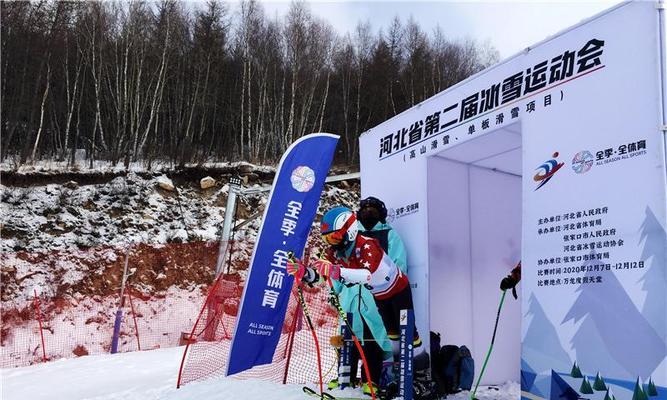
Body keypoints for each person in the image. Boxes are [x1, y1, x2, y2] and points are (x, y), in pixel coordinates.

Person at [288, 206, 423, 396]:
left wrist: (336, 271)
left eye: (335, 237)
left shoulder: (368, 245)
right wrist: (305, 273)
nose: (332, 243)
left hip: (397, 290)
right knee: (391, 336)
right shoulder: (337, 251)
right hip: (378, 296)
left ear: (349, 230)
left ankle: (419, 374)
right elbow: (322, 274)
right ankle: (396, 380)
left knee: (406, 334)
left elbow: (367, 275)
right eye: (327, 238)